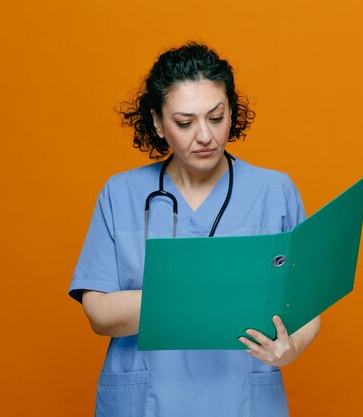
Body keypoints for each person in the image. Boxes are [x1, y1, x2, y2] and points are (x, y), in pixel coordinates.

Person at [69, 42, 321, 417]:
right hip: (145, 400)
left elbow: (306, 303)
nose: (204, 136)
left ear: (232, 113)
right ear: (157, 122)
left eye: (216, 118)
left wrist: (292, 347)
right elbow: (100, 314)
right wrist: (206, 292)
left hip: (244, 398)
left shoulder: (275, 192)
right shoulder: (119, 193)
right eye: (185, 123)